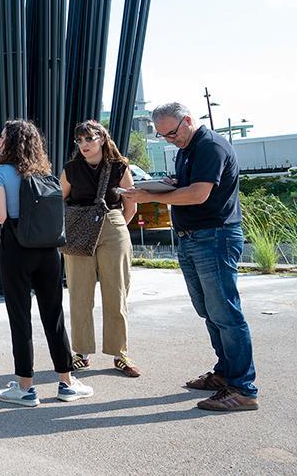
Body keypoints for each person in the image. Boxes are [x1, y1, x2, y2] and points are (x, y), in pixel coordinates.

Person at [122, 102, 258, 411]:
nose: (169, 140)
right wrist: (160, 186)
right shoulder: (186, 150)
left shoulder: (209, 146)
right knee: (210, 311)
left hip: (214, 237)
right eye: (163, 137)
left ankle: (244, 388)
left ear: (187, 121)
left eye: (172, 133)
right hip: (193, 238)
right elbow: (183, 187)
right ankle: (225, 375)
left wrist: (149, 196)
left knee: (225, 313)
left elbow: (198, 194)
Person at [0, 120, 93, 406]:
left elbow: (1, 215)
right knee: (54, 316)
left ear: (12, 142)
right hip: (48, 249)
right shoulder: (44, 172)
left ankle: (26, 388)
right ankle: (66, 383)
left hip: (17, 248)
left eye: (2, 137)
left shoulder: (0, 173)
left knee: (20, 316)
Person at [59, 120, 141, 378]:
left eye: (89, 139)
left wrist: (115, 227)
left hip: (112, 224)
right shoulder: (71, 168)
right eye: (79, 141)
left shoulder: (119, 167)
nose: (84, 145)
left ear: (102, 139)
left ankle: (120, 353)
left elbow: (131, 204)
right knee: (79, 293)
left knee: (116, 291)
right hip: (78, 228)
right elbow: (58, 200)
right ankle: (81, 353)